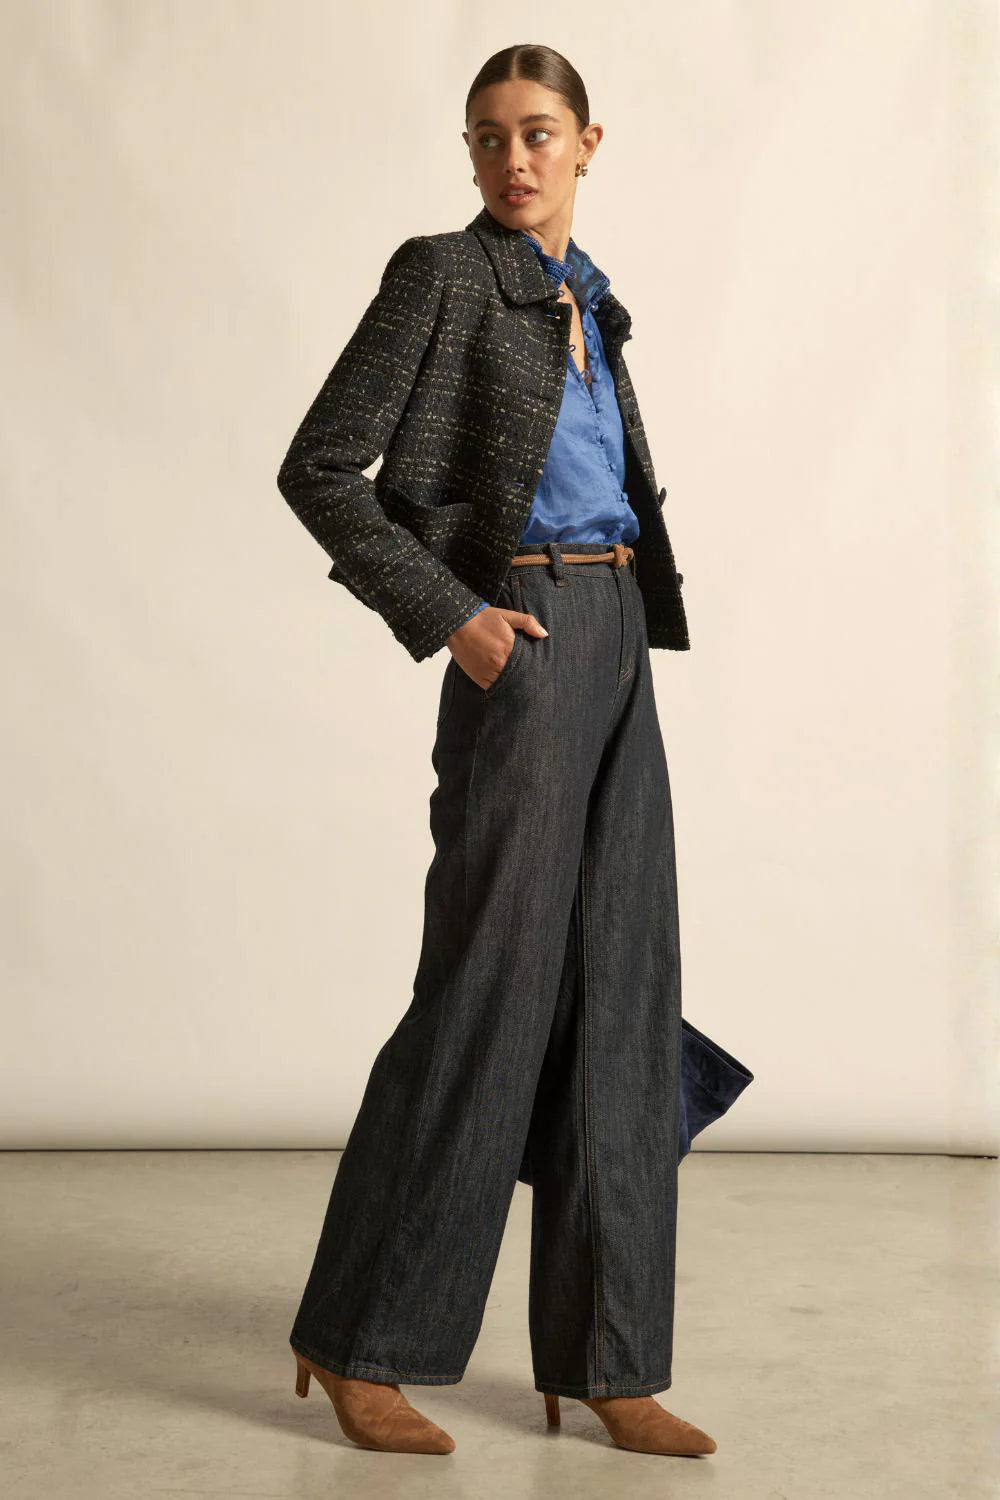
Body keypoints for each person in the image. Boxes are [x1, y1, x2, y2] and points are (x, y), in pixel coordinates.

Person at [276, 43, 734, 1459]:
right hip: (519, 633)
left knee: (623, 994)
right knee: (488, 988)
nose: (512, 159)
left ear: (590, 142)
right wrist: (454, 616)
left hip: (619, 629)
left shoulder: (593, 298)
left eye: (537, 133)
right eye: (487, 137)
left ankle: (607, 1361)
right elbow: (320, 468)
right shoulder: (443, 276)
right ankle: (359, 1338)